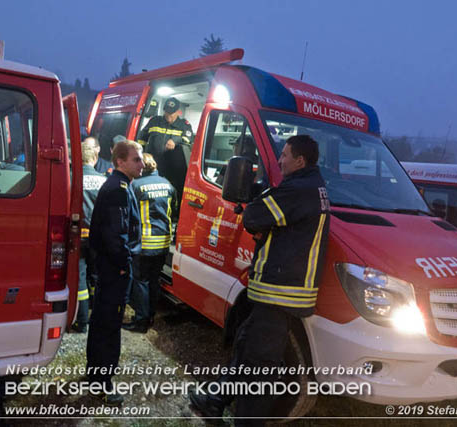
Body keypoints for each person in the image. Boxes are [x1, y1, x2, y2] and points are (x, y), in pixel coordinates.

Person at [189, 135, 331, 424]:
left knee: (260, 366)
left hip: (279, 293)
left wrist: (256, 200)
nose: (280, 161)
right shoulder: (311, 187)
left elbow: (253, 217)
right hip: (282, 293)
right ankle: (215, 400)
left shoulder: (297, 190)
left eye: (285, 156)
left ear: (300, 161)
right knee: (245, 346)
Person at [85, 139, 143, 405]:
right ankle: (102, 383)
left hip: (109, 269)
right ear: (120, 162)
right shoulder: (118, 189)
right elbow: (116, 237)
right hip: (114, 271)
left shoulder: (119, 185)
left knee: (101, 323)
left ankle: (95, 375)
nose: (141, 164)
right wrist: (124, 266)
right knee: (109, 327)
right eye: (136, 159)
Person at [124, 153, 175, 333]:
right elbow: (173, 209)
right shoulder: (167, 184)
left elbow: (128, 213)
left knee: (141, 281)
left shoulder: (136, 185)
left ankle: (141, 321)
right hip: (163, 243)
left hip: (144, 243)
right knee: (154, 279)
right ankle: (151, 315)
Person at [70, 139, 107, 333]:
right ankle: (98, 316)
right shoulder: (104, 181)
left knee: (80, 279)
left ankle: (82, 321)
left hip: (78, 238)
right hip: (99, 239)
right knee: (97, 276)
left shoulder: (71, 179)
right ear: (95, 157)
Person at [137, 96, 193, 178]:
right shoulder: (155, 121)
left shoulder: (184, 125)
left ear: (178, 112)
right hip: (152, 165)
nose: (168, 115)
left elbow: (188, 140)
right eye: (167, 112)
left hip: (171, 167)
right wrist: (142, 155)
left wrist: (175, 140)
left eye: (171, 113)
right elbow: (142, 138)